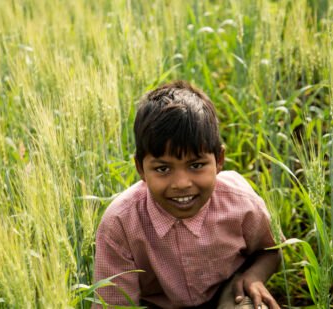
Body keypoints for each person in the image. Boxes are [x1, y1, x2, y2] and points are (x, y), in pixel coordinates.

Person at [92, 81, 282, 309]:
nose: (181, 184)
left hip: (227, 297)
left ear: (219, 160)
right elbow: (115, 304)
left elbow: (271, 251)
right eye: (162, 169)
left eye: (196, 165)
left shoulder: (240, 203)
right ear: (141, 169)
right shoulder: (121, 223)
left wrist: (253, 275)